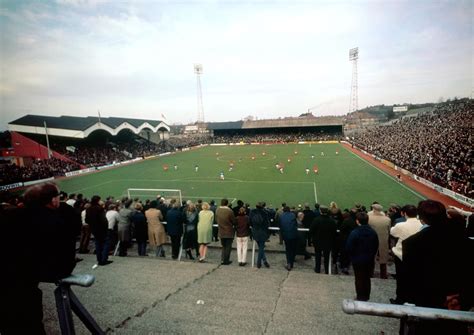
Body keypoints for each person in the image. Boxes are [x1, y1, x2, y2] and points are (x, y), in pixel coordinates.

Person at [1, 182, 80, 334]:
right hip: (22, 285)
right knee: (27, 322)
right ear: (53, 200)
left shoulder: (10, 215)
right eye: (58, 197)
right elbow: (64, 263)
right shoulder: (54, 220)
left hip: (8, 281)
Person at [402, 200, 473, 334]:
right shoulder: (466, 241)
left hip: (429, 307)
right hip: (458, 306)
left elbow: (410, 282)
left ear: (422, 219)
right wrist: (462, 298)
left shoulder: (412, 244)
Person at [389, 204, 421, 304]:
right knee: (413, 278)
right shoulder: (421, 225)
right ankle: (411, 298)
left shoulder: (401, 225)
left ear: (404, 213)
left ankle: (400, 299)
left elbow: (392, 232)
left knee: (401, 279)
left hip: (401, 255)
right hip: (416, 256)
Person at [346, 212, 379, 301]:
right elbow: (376, 245)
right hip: (369, 259)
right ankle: (366, 296)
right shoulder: (373, 232)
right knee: (366, 278)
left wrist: (352, 256)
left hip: (358, 259)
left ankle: (360, 296)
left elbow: (349, 246)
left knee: (359, 278)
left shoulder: (355, 232)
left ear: (357, 221)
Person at [310, 205, 337, 274]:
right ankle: (326, 270)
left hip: (318, 242)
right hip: (328, 242)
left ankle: (317, 269)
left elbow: (311, 230)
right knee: (326, 257)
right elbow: (334, 232)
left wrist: (313, 239)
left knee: (318, 256)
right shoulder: (331, 221)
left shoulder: (316, 220)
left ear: (320, 211)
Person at [86, 195, 111, 266]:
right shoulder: (99, 208)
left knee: (98, 244)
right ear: (97, 201)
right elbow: (103, 220)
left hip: (94, 229)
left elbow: (87, 220)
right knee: (106, 243)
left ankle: (99, 259)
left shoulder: (89, 209)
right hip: (102, 229)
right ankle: (103, 259)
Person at [368, 204, 390, 279]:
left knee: (371, 258)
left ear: (373, 209)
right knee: (383, 260)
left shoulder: (369, 218)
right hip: (383, 241)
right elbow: (389, 230)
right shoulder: (387, 219)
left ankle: (370, 274)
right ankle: (383, 275)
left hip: (371, 240)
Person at [250, 202, 270, 268]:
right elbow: (267, 224)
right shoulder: (265, 213)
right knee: (261, 247)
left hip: (255, 232)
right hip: (262, 232)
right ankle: (259, 263)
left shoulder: (252, 212)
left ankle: (264, 260)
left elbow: (250, 222)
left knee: (261, 247)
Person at [216, 198, 235, 265]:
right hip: (228, 231)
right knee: (228, 246)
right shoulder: (229, 211)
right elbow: (234, 221)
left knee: (224, 246)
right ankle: (226, 260)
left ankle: (223, 259)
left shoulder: (218, 210)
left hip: (221, 231)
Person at [279, 206, 298, 271]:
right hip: (293, 235)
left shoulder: (281, 216)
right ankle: (291, 263)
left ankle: (289, 263)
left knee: (288, 249)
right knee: (292, 249)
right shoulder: (292, 215)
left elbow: (279, 224)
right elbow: (296, 224)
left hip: (286, 235)